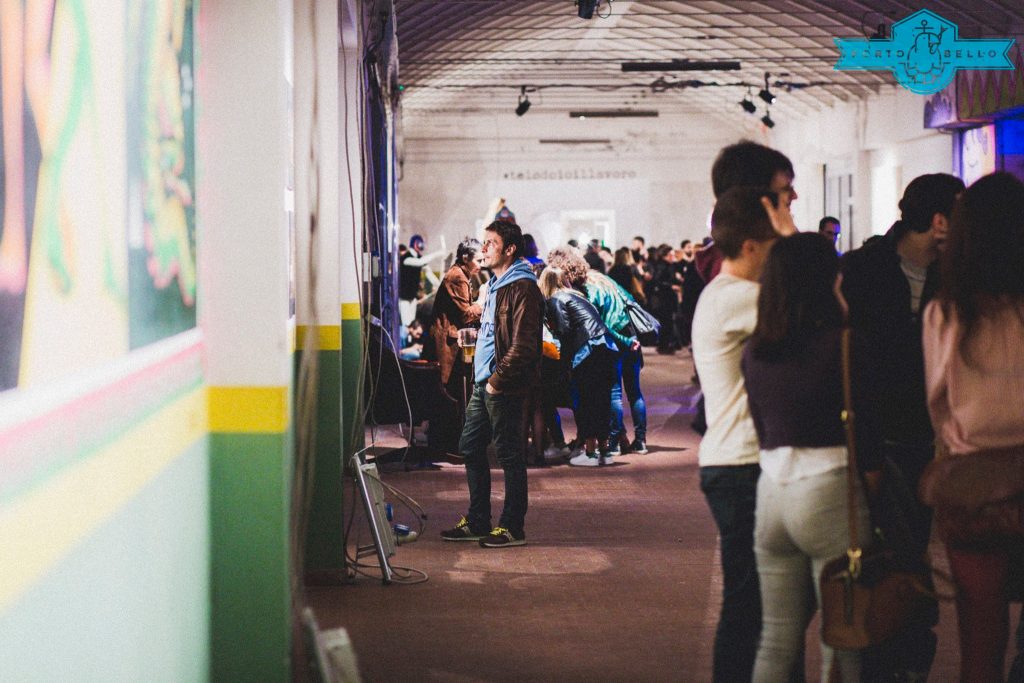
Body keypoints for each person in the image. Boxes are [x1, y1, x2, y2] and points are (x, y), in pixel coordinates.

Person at [841, 172, 965, 681]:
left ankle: (903, 657)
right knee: (889, 558)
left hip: (930, 440)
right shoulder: (865, 270)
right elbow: (852, 366)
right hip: (874, 439)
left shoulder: (955, 277)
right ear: (938, 222)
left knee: (908, 555)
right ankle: (889, 660)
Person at [742, 233, 882, 682]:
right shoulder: (844, 344)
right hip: (829, 488)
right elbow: (869, 436)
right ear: (827, 280)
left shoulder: (756, 352)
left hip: (772, 493)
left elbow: (761, 427)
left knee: (777, 637)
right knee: (842, 634)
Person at [690, 184, 797, 683]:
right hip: (739, 467)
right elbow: (818, 315)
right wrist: (796, 241)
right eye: (775, 243)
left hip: (738, 462)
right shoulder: (738, 297)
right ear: (752, 247)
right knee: (752, 612)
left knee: (762, 610)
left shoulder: (727, 295)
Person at [922, 172, 1024, 682]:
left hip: (973, 489)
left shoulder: (947, 311)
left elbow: (937, 401)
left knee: (980, 644)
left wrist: (959, 441)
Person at [440, 221, 544, 548]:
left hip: (502, 386)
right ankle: (478, 519)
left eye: (491, 243)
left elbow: (525, 344)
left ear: (510, 249)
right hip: (483, 385)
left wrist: (497, 382)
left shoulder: (522, 287)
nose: (483, 249)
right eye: (483, 243)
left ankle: (512, 526)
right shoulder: (498, 284)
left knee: (510, 455)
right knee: (470, 447)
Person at [547, 246, 647, 456]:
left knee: (611, 394)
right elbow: (629, 300)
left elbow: (596, 324)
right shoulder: (603, 279)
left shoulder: (583, 289)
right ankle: (638, 441)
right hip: (628, 336)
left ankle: (612, 441)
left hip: (609, 341)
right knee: (634, 392)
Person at [538, 266, 618, 466]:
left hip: (587, 350)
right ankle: (604, 451)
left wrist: (563, 361)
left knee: (586, 400)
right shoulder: (577, 296)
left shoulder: (555, 300)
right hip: (606, 345)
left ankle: (590, 453)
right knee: (602, 400)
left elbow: (565, 330)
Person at [423, 238, 483, 395]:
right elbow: (466, 315)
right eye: (478, 260)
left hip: (450, 339)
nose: (481, 265)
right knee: (446, 391)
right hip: (445, 343)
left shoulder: (460, 274)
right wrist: (483, 303)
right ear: (465, 258)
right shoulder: (457, 277)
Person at [399, 234, 445, 326]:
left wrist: (440, 285)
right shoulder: (406, 258)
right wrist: (438, 253)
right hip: (404, 297)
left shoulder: (418, 259)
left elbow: (429, 274)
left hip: (412, 296)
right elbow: (420, 262)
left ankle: (411, 339)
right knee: (406, 324)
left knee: (412, 323)